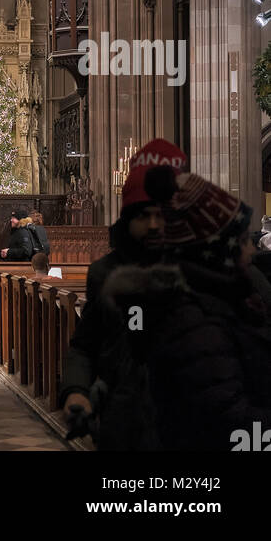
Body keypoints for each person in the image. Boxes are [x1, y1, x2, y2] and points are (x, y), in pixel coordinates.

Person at [97, 165, 271, 451]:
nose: (252, 249)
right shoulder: (194, 322)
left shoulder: (220, 300)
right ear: (219, 251)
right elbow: (230, 425)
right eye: (242, 242)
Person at [59, 138, 186, 431]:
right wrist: (76, 391)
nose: (154, 225)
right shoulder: (105, 273)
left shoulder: (201, 270)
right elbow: (84, 345)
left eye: (162, 214)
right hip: (124, 419)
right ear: (128, 219)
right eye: (144, 216)